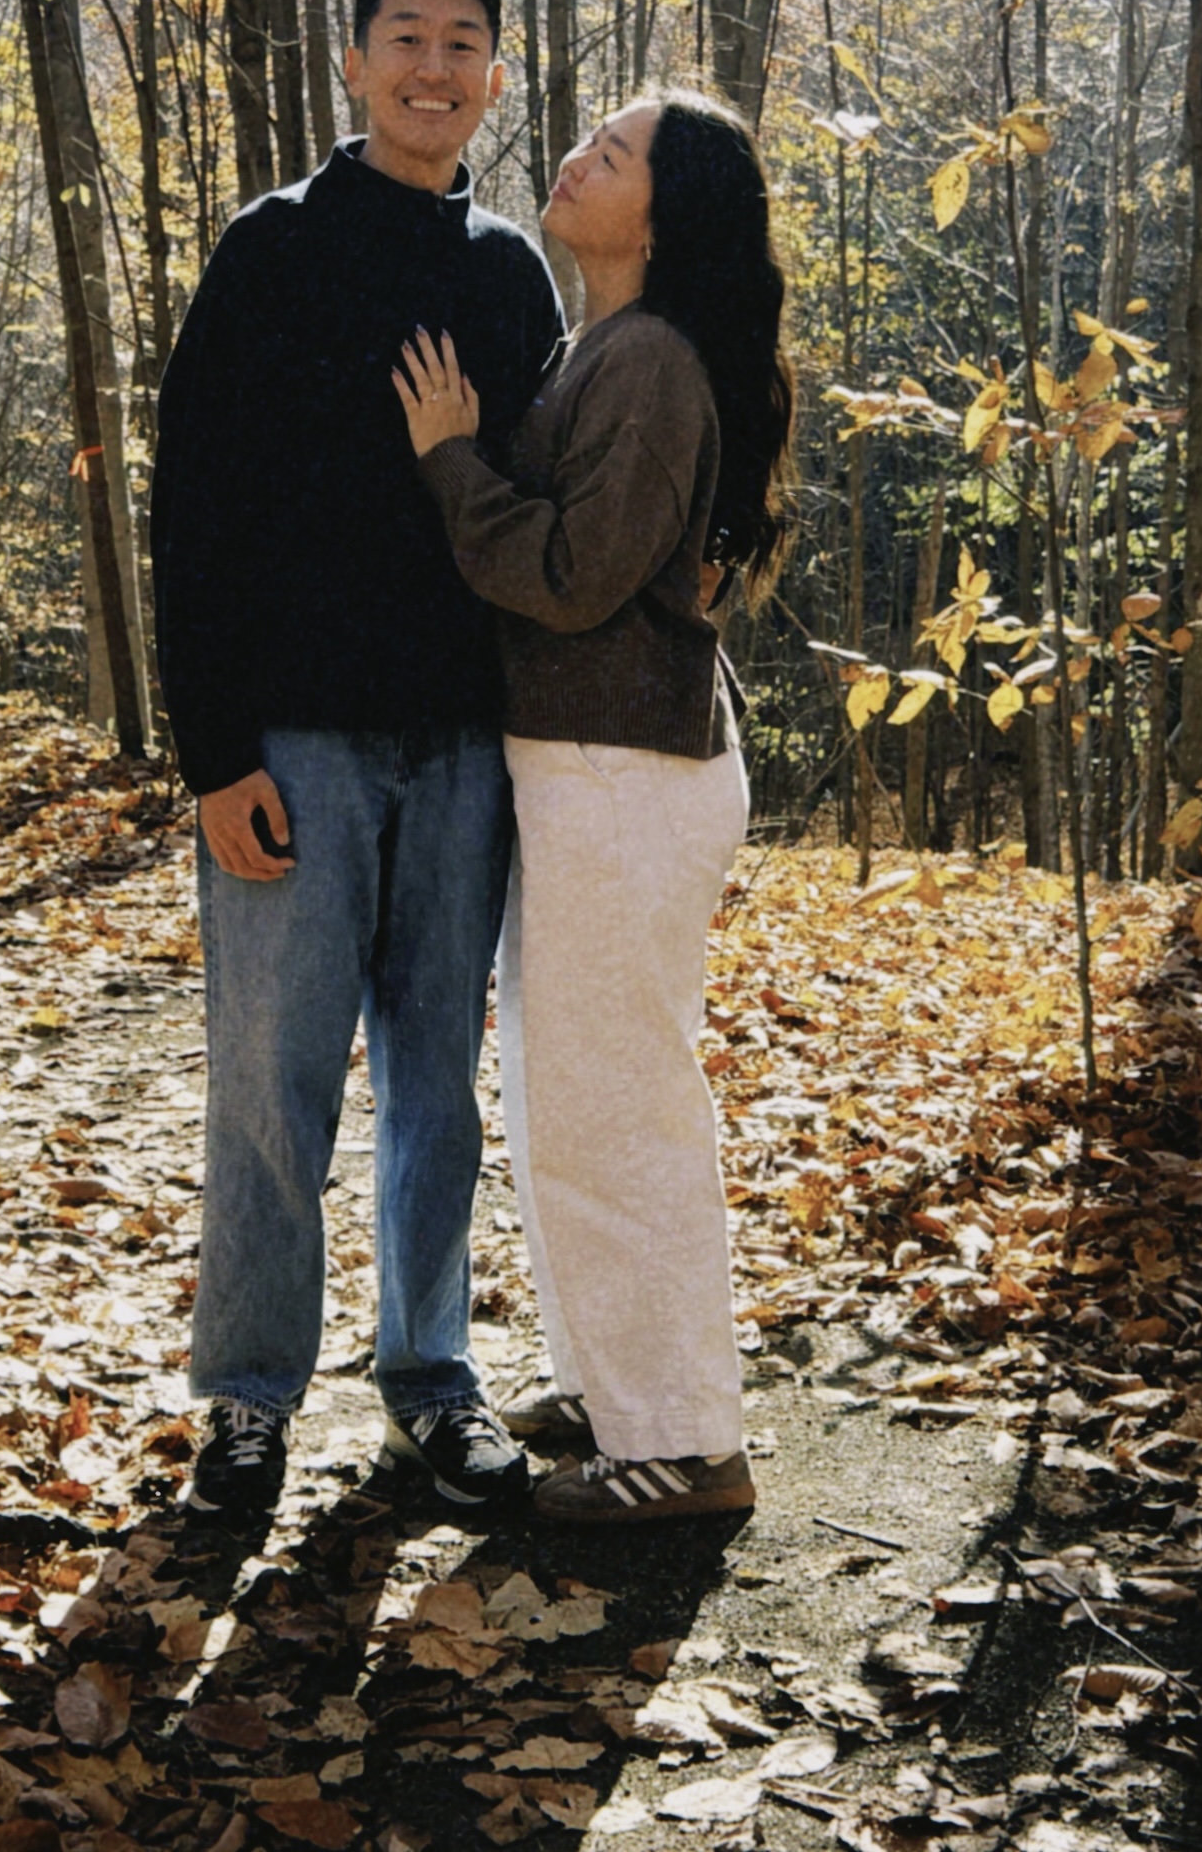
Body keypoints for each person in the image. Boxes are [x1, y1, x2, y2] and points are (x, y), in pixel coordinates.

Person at [148, 0, 565, 1521]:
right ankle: (249, 1400)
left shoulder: (509, 271)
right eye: (407, 37)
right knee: (273, 1087)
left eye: (465, 43)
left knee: (438, 1093)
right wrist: (214, 755)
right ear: (354, 61)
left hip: (465, 747)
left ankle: (432, 1382)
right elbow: (192, 511)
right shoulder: (275, 251)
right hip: (297, 748)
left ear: (496, 79)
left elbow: (537, 508)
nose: (434, 68)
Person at [389, 90, 791, 1523]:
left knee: (620, 1112)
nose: (575, 158)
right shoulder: (602, 348)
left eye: (612, 156)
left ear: (663, 213)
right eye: (587, 141)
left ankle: (684, 1448)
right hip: (586, 773)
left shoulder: (655, 363)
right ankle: (620, 1393)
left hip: (631, 779)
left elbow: (572, 576)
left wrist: (449, 461)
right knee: (570, 1103)